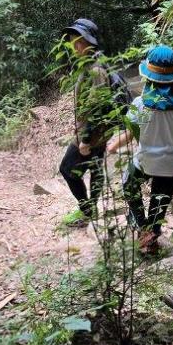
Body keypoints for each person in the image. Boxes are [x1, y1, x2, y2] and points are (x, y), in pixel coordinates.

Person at [107, 44, 173, 255]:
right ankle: (152, 236)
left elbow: (129, 134)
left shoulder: (140, 104)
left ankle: (142, 228)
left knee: (129, 184)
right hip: (172, 165)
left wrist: (113, 146)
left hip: (145, 162)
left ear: (148, 77)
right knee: (159, 202)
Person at [58, 18, 114, 229]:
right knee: (95, 167)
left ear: (90, 42)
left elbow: (98, 106)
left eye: (79, 41)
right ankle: (91, 209)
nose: (75, 46)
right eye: (73, 41)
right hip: (98, 132)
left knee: (67, 169)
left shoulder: (96, 69)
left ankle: (87, 210)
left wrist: (86, 139)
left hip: (93, 133)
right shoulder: (90, 64)